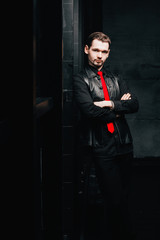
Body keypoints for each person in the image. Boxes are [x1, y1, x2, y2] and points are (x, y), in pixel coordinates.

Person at [73, 32, 139, 240]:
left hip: (124, 144)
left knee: (124, 196)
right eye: (95, 50)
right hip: (101, 146)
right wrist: (119, 109)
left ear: (108, 53)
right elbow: (88, 111)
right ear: (86, 49)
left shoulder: (115, 77)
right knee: (113, 198)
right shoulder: (80, 79)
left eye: (104, 51)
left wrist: (110, 103)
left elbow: (134, 104)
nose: (99, 56)